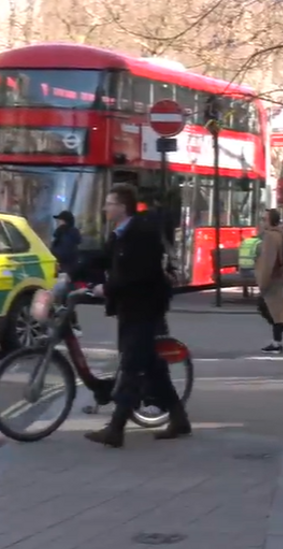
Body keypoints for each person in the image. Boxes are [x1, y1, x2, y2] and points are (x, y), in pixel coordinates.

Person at [84, 184, 189, 448]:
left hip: (144, 309)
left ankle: (115, 429)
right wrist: (68, 272)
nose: (105, 208)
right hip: (130, 309)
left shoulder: (140, 234)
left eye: (109, 203)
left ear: (122, 207)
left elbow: (138, 275)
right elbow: (102, 259)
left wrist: (106, 288)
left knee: (131, 367)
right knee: (154, 368)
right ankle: (179, 419)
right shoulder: (120, 234)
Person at [255, 209, 283, 353]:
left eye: (264, 219)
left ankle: (278, 340)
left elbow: (267, 261)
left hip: (272, 278)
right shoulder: (281, 235)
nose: (262, 221)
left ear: (270, 220)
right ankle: (279, 337)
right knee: (276, 310)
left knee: (270, 309)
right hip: (280, 276)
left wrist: (263, 282)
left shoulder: (270, 237)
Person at [51, 210, 83, 335]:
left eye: (59, 220)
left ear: (64, 222)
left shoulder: (64, 234)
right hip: (67, 271)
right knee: (64, 299)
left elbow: (64, 253)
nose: (57, 222)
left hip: (65, 271)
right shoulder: (66, 234)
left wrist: (54, 255)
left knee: (62, 299)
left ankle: (71, 327)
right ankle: (70, 326)